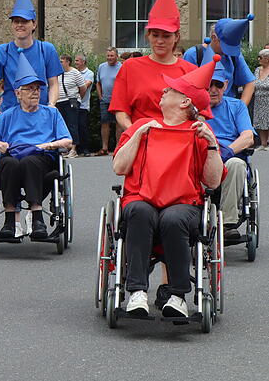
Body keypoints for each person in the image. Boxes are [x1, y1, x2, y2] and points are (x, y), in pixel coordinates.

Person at [113, 57, 225, 319]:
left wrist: (211, 146)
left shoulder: (199, 131)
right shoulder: (142, 126)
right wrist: (138, 136)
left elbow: (212, 181)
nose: (163, 91)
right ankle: (137, 292)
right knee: (140, 211)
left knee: (174, 218)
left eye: (170, 90)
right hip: (142, 198)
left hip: (182, 203)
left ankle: (177, 295)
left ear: (185, 101)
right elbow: (119, 167)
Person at [0, 49, 72, 239]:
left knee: (30, 161)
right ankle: (10, 222)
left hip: (41, 159)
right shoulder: (8, 115)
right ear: (17, 93)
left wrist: (49, 146)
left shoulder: (51, 113)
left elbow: (68, 141)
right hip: (13, 158)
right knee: (9, 163)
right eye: (29, 89)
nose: (35, 93)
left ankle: (37, 218)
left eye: (38, 89)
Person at [109, 0, 196, 131]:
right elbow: (121, 111)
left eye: (166, 36)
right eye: (155, 35)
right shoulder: (130, 67)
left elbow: (200, 112)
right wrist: (135, 132)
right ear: (147, 35)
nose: (160, 41)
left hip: (179, 142)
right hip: (141, 140)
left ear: (177, 37)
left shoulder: (191, 71)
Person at [0, 0, 62, 111]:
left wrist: (51, 105)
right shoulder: (0, 52)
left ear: (34, 24)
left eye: (24, 21)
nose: (20, 25)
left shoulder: (47, 50)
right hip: (10, 115)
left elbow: (53, 83)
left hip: (40, 114)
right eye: (16, 21)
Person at [205, 62, 255, 241]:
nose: (213, 89)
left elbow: (248, 137)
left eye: (218, 85)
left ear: (225, 85)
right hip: (203, 157)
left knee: (236, 164)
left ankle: (227, 223)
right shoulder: (193, 109)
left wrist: (228, 150)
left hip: (229, 157)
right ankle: (194, 218)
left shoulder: (237, 106)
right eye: (208, 84)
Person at [183, 15, 255, 104]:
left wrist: (240, 108)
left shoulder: (234, 55)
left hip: (227, 112)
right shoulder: (194, 55)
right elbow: (184, 87)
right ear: (214, 38)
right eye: (226, 46)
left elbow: (249, 83)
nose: (229, 51)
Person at [57, 55, 87, 157]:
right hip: (59, 101)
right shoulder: (57, 73)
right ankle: (65, 148)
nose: (60, 63)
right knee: (62, 126)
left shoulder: (75, 73)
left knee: (72, 125)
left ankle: (73, 149)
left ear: (68, 62)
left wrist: (77, 99)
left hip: (70, 101)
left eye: (61, 61)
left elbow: (83, 88)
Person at [95, 47, 122, 155]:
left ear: (117, 56)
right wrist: (100, 95)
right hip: (105, 100)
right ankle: (104, 147)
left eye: (112, 56)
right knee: (105, 123)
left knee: (119, 123)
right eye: (108, 56)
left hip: (119, 100)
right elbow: (98, 82)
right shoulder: (101, 67)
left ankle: (118, 146)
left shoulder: (122, 67)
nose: (109, 58)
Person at [74, 54, 93, 154]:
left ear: (83, 62)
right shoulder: (74, 72)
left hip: (83, 104)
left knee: (82, 126)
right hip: (73, 104)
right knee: (74, 126)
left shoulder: (89, 73)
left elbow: (85, 86)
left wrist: (76, 88)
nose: (75, 63)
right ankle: (75, 148)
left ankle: (85, 148)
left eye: (77, 61)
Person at [252, 49, 269, 148]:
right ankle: (263, 144)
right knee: (260, 121)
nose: (258, 59)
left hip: (268, 98)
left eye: (260, 57)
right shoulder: (258, 70)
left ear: (267, 59)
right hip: (259, 99)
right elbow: (254, 83)